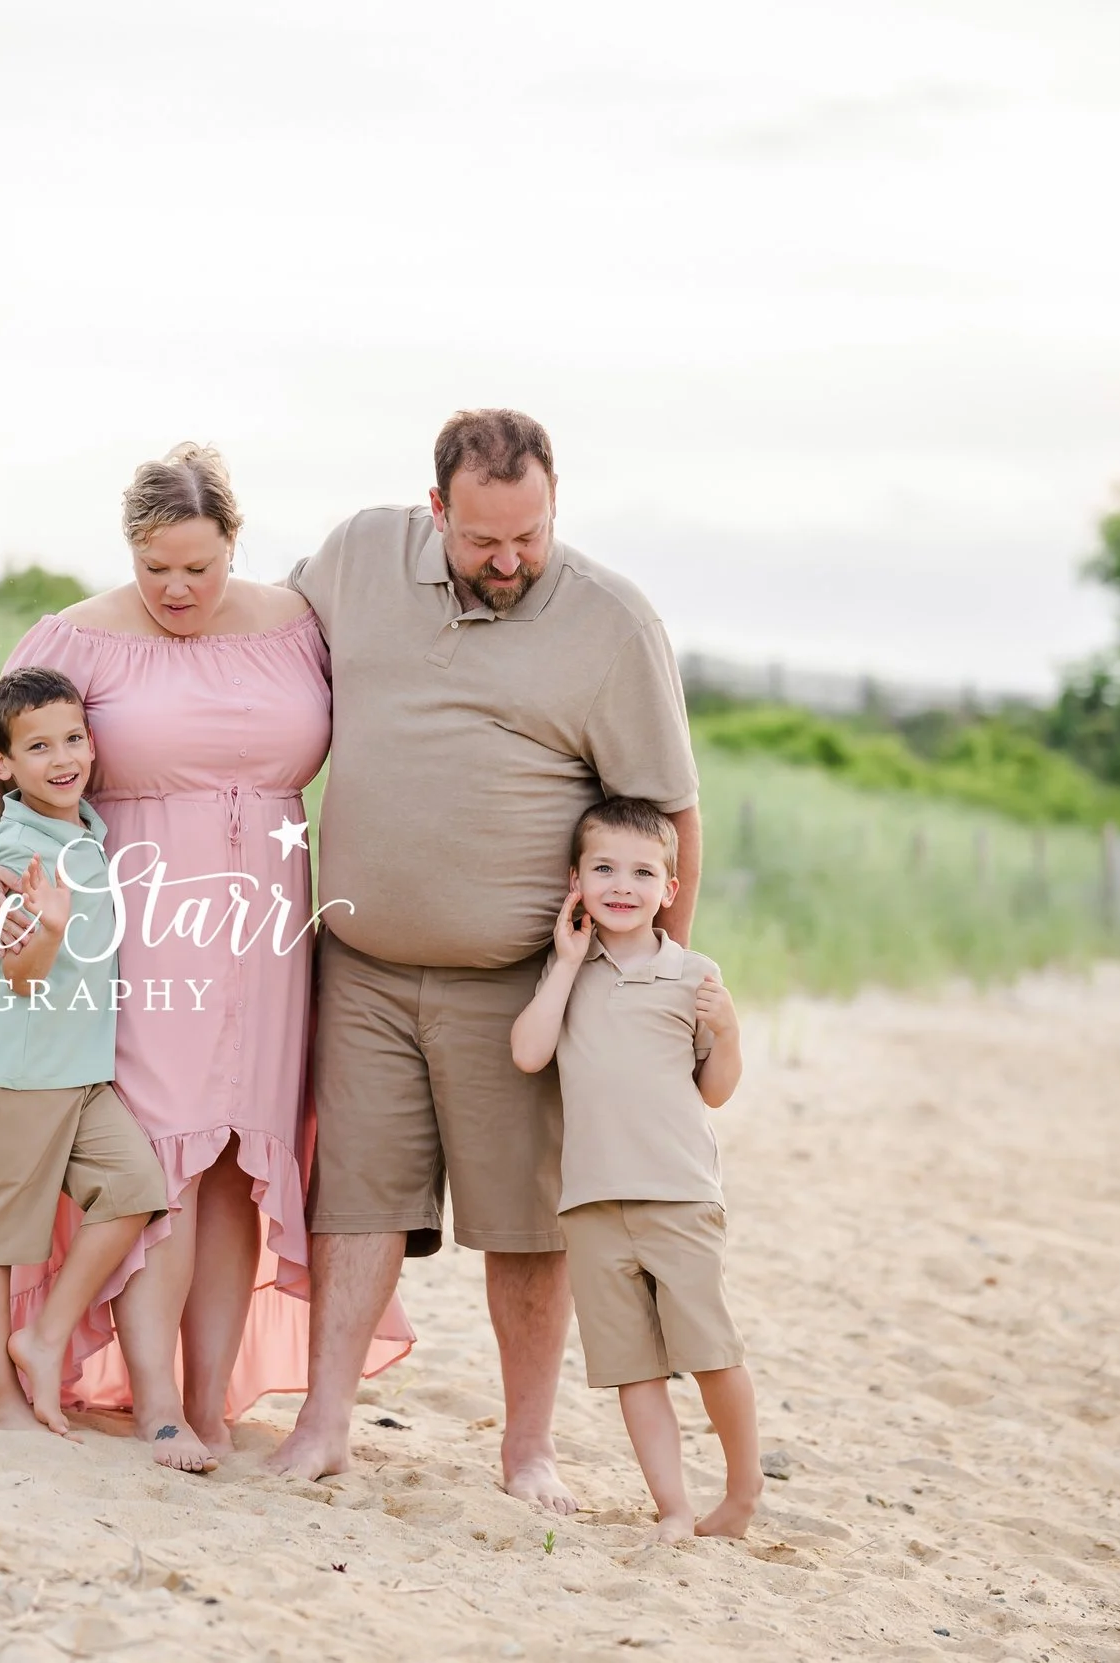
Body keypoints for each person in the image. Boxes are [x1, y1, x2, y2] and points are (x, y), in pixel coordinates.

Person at [267, 409, 703, 1512]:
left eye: (531, 536)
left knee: (525, 1220)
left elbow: (670, 817)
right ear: (435, 512)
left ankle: (527, 1450)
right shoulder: (357, 554)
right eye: (482, 541)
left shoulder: (612, 622)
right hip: (360, 963)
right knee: (354, 1196)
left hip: (522, 981)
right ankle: (324, 1424)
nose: (509, 562)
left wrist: (658, 986)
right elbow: (258, 643)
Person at [0, 444, 411, 1472]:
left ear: (233, 545)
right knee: (162, 1155)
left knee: (246, 1161)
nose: (177, 589)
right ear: (131, 550)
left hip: (271, 927)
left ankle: (209, 1401)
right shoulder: (78, 634)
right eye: (156, 566)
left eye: (198, 567)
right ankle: (154, 1400)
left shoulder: (297, 627)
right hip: (144, 918)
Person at [508, 796, 758, 1540]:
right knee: (634, 1369)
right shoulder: (569, 973)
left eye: (643, 871)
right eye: (604, 868)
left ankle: (741, 1496)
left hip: (679, 1196)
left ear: (669, 890)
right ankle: (674, 1506)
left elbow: (715, 1088)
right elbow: (528, 1052)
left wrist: (728, 1026)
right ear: (575, 881)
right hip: (591, 1205)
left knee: (710, 1353)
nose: (623, 884)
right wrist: (564, 961)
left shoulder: (695, 974)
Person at [0, 666, 170, 1444]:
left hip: (78, 1076)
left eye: (72, 737)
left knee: (136, 1187)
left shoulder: (83, 829)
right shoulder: (14, 849)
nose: (62, 756)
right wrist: (41, 926)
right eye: (37, 746)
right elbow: (22, 978)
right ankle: (3, 1402)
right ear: (1, 764)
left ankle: (43, 1336)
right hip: (14, 1073)